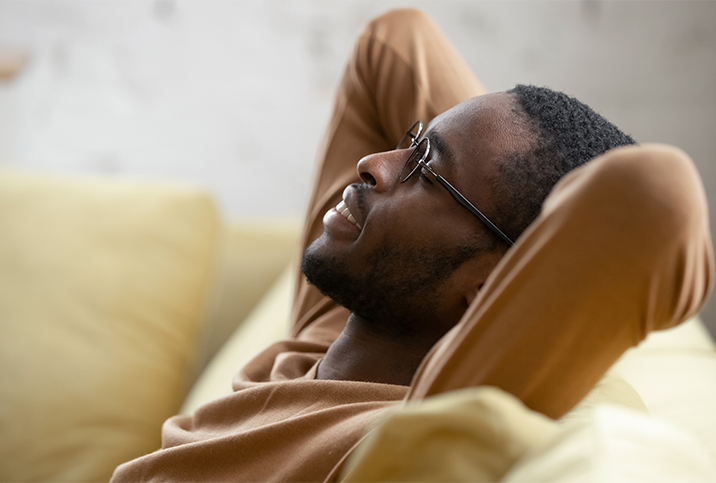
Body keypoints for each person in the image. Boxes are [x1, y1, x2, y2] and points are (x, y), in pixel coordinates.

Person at [110, 8, 713, 483]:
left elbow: (652, 198)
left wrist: (510, 224)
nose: (372, 163)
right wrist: (478, 153)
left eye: (425, 168)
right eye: (412, 141)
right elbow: (393, 39)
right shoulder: (316, 341)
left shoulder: (408, 435)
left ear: (489, 290)